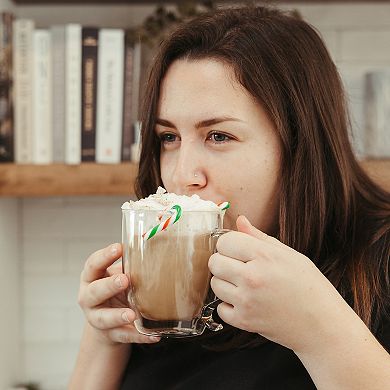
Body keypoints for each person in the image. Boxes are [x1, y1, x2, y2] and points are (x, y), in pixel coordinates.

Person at [69, 4, 390, 389]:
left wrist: (320, 331)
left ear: (300, 142)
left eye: (219, 136)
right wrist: (105, 337)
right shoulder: (162, 276)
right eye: (168, 137)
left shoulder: (380, 261)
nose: (183, 175)